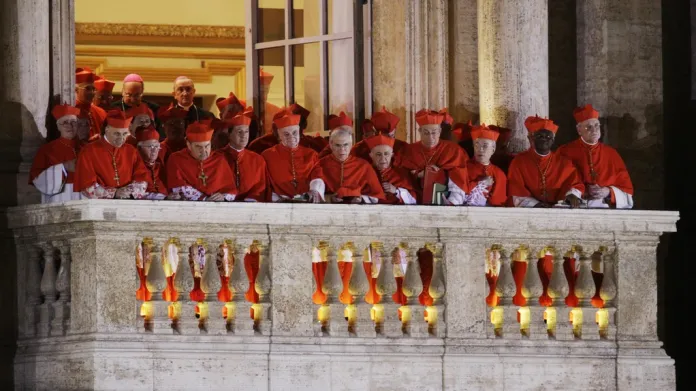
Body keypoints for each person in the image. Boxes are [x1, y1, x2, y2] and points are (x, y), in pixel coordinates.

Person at [557, 104, 634, 208]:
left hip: (605, 209)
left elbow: (627, 190)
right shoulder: (565, 151)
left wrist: (607, 192)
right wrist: (577, 192)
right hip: (576, 208)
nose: (594, 130)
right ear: (579, 130)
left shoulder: (611, 153)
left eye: (597, 125)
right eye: (588, 127)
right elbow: (556, 183)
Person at [507, 115, 584, 208]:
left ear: (553, 140)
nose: (544, 139)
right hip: (531, 211)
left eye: (548, 136)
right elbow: (516, 190)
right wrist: (535, 205)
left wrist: (572, 195)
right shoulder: (519, 161)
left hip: (559, 210)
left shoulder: (564, 162)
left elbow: (574, 183)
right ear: (532, 138)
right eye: (539, 136)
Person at [74, 110, 148, 199]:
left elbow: (142, 178)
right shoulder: (89, 151)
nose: (121, 138)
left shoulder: (131, 150)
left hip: (128, 202)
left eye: (125, 134)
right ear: (107, 129)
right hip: (99, 205)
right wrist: (114, 193)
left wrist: (128, 191)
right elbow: (87, 185)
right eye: (117, 134)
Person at [400, 109, 468, 203]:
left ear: (440, 131)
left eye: (434, 132)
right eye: (426, 133)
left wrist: (440, 174)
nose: (430, 137)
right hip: (415, 201)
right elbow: (401, 177)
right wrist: (418, 174)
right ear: (420, 131)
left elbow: (459, 178)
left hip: (445, 200)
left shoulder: (453, 150)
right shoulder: (409, 150)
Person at [166, 122, 237, 201]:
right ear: (189, 145)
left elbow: (230, 190)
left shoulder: (219, 159)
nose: (203, 151)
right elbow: (178, 187)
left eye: (207, 146)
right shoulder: (176, 159)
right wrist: (205, 199)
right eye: (198, 147)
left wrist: (223, 196)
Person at [262, 112, 324, 202]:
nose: (291, 137)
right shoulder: (267, 155)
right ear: (279, 135)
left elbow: (317, 175)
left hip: (307, 202)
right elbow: (265, 184)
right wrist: (277, 198)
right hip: (279, 204)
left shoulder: (311, 154)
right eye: (286, 134)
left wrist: (314, 191)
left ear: (299, 132)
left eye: (294, 133)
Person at [29, 104, 84, 203]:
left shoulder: (87, 148)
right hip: (59, 198)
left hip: (84, 196)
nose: (70, 126)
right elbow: (37, 178)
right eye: (65, 123)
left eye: (73, 122)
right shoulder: (46, 150)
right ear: (58, 127)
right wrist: (64, 167)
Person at [319, 128, 385, 204]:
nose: (342, 149)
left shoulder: (364, 166)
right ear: (331, 144)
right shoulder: (321, 164)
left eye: (345, 145)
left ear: (351, 144)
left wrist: (361, 199)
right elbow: (311, 194)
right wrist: (329, 198)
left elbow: (378, 195)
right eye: (338, 145)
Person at [218, 113, 268, 202]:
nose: (243, 135)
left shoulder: (258, 160)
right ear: (229, 134)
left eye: (246, 131)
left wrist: (251, 199)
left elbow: (261, 186)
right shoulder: (217, 157)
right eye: (239, 131)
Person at [461, 124, 507, 206]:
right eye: (476, 145)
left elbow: (498, 203)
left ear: (493, 149)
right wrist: (480, 183)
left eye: (485, 146)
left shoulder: (499, 173)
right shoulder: (463, 168)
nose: (480, 149)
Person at [365, 134, 417, 205]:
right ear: (371, 155)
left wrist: (396, 190)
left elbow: (413, 200)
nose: (383, 158)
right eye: (378, 154)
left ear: (392, 155)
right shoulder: (364, 172)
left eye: (386, 154)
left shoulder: (401, 173)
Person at [135, 125, 167, 200]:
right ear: (139, 148)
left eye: (157, 146)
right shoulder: (135, 166)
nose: (154, 150)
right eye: (150, 146)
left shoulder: (161, 167)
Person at [74, 67, 106, 141]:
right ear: (76, 90)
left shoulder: (101, 112)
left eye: (93, 89)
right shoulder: (71, 112)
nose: (92, 93)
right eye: (87, 88)